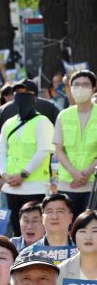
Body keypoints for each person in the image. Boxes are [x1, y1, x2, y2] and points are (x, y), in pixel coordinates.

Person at [0, 80, 55, 236]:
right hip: (11, 188)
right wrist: (4, 174)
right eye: (17, 94)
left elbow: (43, 151)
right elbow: (1, 151)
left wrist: (23, 175)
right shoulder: (9, 123)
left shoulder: (42, 122)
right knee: (16, 232)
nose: (20, 97)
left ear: (35, 97)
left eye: (25, 93)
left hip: (36, 187)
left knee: (37, 231)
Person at [54, 70, 97, 216]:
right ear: (70, 88)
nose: (80, 88)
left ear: (94, 88)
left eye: (85, 85)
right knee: (69, 228)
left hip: (93, 184)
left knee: (91, 229)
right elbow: (58, 149)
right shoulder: (64, 115)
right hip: (68, 182)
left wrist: (86, 173)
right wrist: (74, 173)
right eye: (76, 85)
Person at [56, 210, 97, 285]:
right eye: (83, 231)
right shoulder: (63, 269)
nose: (88, 237)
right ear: (73, 235)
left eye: (95, 231)